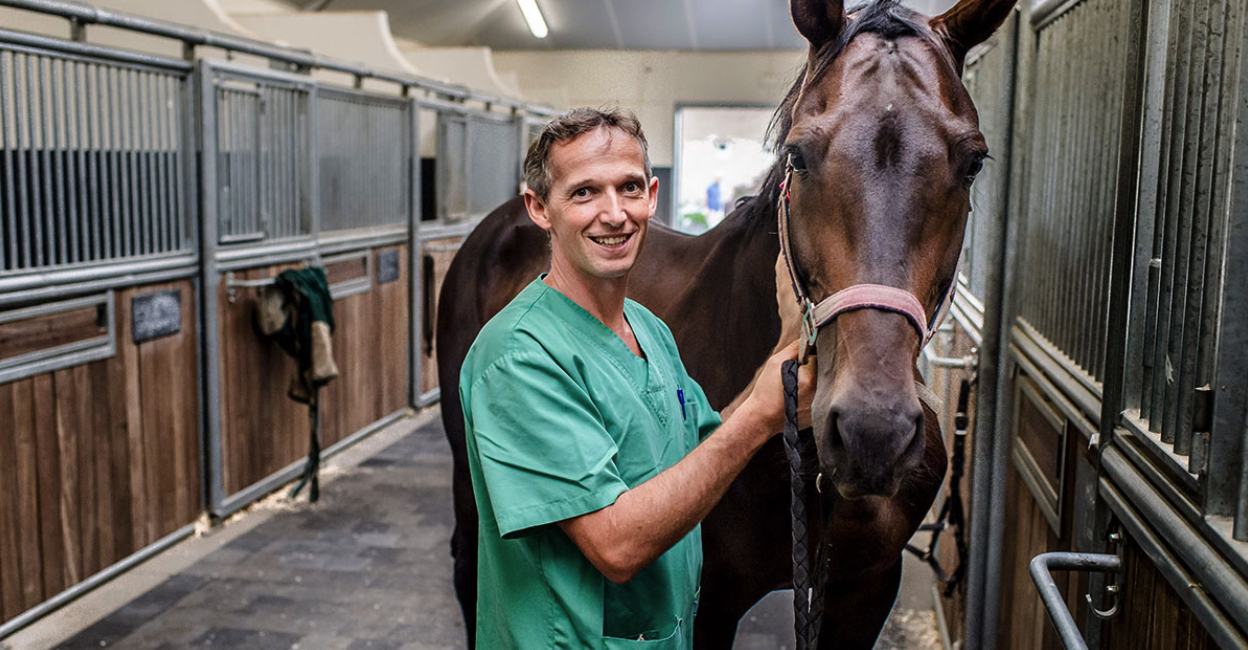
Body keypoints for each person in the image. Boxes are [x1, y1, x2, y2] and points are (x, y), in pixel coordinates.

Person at [458, 107, 815, 649]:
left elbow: (706, 442)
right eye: (583, 193)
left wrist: (779, 362)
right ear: (539, 209)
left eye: (628, 188)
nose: (614, 213)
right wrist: (765, 413)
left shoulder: (648, 328)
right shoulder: (518, 358)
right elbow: (615, 546)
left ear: (652, 195)